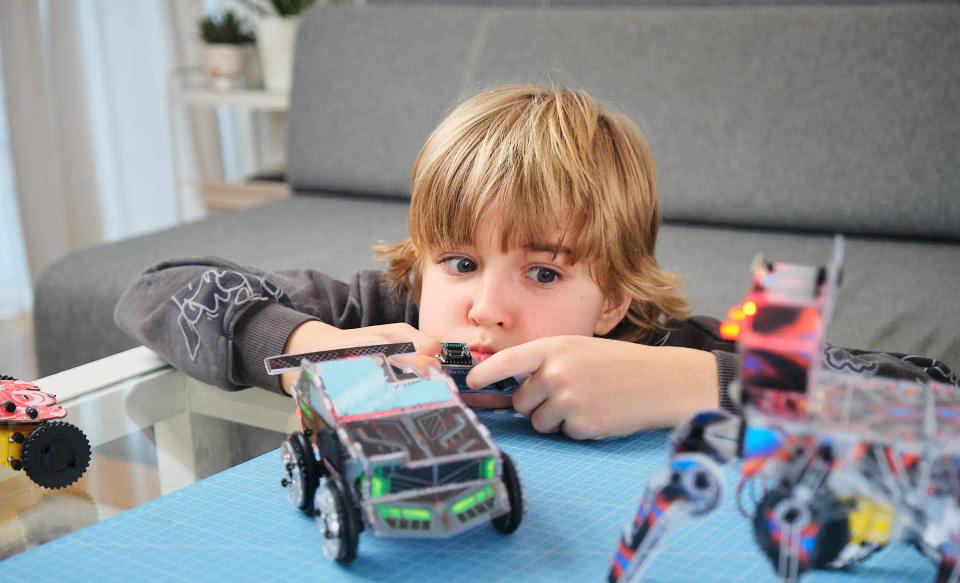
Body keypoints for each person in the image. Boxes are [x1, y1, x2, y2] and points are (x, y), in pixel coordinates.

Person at [115, 85, 958, 440]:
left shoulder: (665, 349)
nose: (485, 307)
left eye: (544, 273)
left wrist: (700, 387)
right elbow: (158, 289)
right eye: (459, 262)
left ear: (609, 300)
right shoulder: (390, 311)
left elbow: (934, 403)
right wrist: (301, 349)